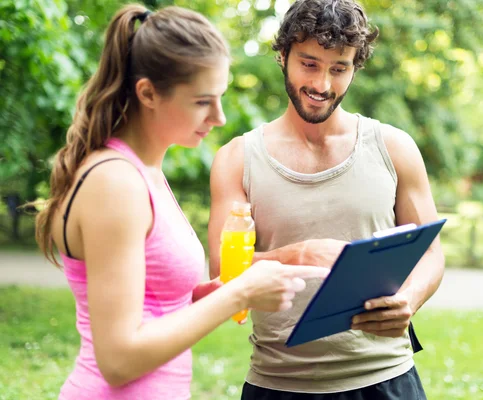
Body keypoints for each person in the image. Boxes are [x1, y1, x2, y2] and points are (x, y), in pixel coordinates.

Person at [33, 4, 328, 400]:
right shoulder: (114, 182)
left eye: (220, 98)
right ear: (148, 93)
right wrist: (237, 296)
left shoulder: (146, 173)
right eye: (203, 101)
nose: (220, 117)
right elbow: (118, 360)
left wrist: (218, 291)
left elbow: (152, 305)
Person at [208, 0, 445, 398]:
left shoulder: (394, 147)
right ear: (282, 56)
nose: (322, 85)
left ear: (356, 67)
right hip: (278, 382)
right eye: (309, 64)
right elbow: (222, 271)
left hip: (385, 379)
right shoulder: (237, 159)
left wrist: (410, 298)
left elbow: (430, 252)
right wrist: (298, 254)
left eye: (339, 69)